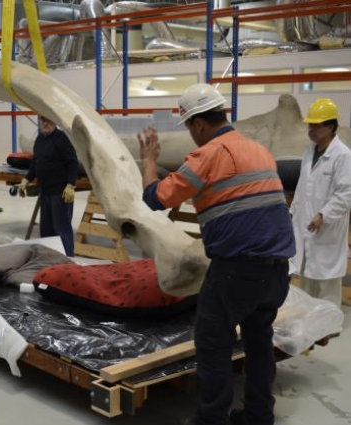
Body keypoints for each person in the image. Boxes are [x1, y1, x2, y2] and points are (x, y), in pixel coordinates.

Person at [139, 84, 295, 425]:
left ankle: (212, 420)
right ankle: (258, 416)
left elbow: (153, 198)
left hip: (236, 273)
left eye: (189, 128)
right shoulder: (259, 150)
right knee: (258, 344)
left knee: (213, 344)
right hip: (277, 272)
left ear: (197, 124)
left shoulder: (206, 156)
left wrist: (149, 161)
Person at [290, 98, 351, 307]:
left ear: (331, 126)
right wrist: (293, 213)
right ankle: (309, 322)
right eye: (310, 124)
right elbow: (302, 187)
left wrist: (323, 215)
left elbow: (345, 193)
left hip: (327, 227)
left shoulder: (343, 155)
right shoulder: (309, 151)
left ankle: (330, 323)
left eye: (317, 125)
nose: (311, 129)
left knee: (327, 280)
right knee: (307, 276)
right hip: (306, 224)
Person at [19, 116, 78, 256]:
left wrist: (70, 185)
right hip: (45, 192)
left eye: (49, 120)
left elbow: (72, 162)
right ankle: (49, 261)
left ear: (55, 122)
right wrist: (26, 179)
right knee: (46, 231)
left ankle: (67, 260)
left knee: (61, 230)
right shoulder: (39, 140)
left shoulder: (62, 139)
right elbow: (35, 163)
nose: (45, 123)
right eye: (43, 120)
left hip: (60, 193)